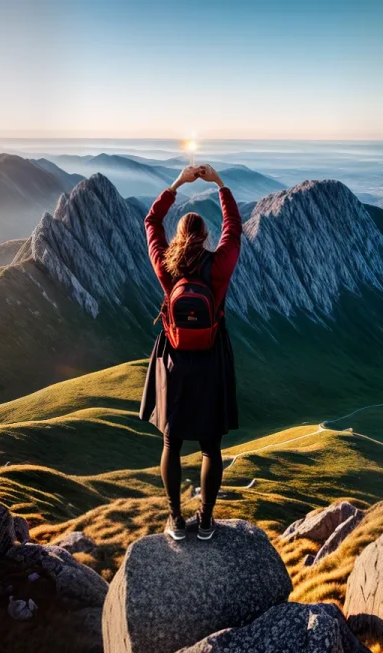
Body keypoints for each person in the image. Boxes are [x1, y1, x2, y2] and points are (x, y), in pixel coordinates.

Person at [140, 164, 241, 541]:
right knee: (210, 446)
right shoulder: (220, 265)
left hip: (173, 359)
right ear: (206, 237)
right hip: (212, 357)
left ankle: (175, 520)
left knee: (171, 440)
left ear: (180, 238)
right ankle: (206, 521)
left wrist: (178, 183)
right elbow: (234, 227)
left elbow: (152, 221)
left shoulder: (166, 266)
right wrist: (219, 184)